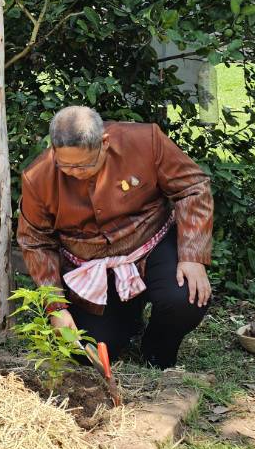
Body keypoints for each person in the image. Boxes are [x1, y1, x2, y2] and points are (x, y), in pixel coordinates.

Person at [16, 105, 213, 368]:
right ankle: (128, 320)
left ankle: (157, 348)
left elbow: (193, 187)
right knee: (84, 349)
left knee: (186, 297)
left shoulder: (146, 141)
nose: (75, 172)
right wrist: (57, 308)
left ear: (104, 143)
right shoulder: (37, 177)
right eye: (66, 166)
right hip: (89, 264)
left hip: (149, 244)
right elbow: (35, 241)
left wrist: (192, 256)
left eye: (84, 164)